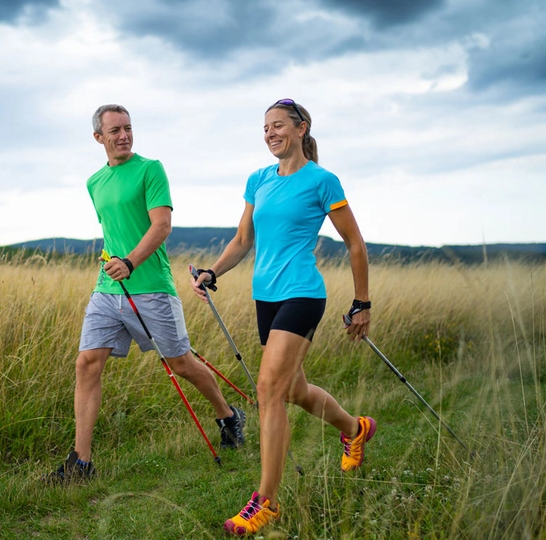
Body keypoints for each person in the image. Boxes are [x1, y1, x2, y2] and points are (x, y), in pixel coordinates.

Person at [192, 99, 375, 536]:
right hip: (266, 298)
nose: (271, 133)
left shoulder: (322, 181)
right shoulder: (258, 180)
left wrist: (362, 303)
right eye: (266, 128)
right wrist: (212, 271)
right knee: (292, 389)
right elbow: (242, 239)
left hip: (303, 293)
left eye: (278, 126)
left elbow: (355, 244)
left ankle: (266, 502)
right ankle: (355, 428)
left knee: (268, 389)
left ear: (301, 128)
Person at [44, 104, 246, 484]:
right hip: (108, 289)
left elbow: (162, 225)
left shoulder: (151, 169)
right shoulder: (94, 182)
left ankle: (228, 416)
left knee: (181, 364)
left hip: (151, 287)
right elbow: (113, 232)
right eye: (115, 130)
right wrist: (114, 262)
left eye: (128, 128)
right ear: (98, 138)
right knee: (86, 363)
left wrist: (131, 261)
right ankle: (81, 464)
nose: (123, 135)